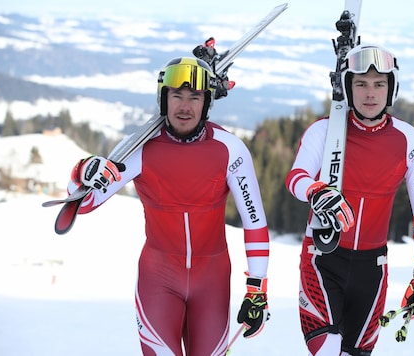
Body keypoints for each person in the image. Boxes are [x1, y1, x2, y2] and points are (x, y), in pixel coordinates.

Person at [66, 57, 270, 355]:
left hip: (212, 283)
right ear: (164, 99)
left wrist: (257, 289)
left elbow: (255, 223)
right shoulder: (137, 148)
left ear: (206, 102)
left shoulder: (230, 150)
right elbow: (82, 204)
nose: (184, 106)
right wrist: (82, 171)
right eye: (176, 96)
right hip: (158, 280)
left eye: (194, 97)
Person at [284, 44, 414, 355]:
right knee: (327, 350)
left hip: (373, 268)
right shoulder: (324, 131)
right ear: (348, 87)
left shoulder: (410, 141)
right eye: (361, 84)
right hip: (322, 259)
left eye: (379, 84)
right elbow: (295, 178)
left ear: (391, 89)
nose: (370, 93)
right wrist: (317, 191)